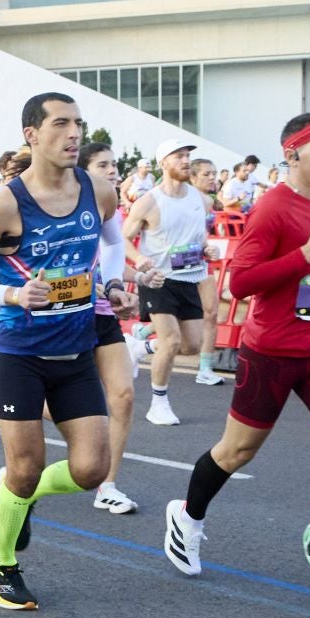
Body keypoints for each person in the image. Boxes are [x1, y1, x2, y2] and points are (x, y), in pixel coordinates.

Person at [161, 112, 310, 604]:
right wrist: (308, 254)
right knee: (236, 452)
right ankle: (187, 516)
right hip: (270, 351)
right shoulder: (272, 207)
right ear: (292, 154)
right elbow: (242, 283)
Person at [0, 93, 134, 610]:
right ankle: (0, 566)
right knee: (25, 465)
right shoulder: (7, 202)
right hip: (20, 351)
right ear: (32, 134)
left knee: (92, 468)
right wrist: (9, 293)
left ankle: (19, 496)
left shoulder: (98, 190)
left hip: (76, 348)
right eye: (60, 124)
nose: (73, 134)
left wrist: (113, 283)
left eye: (78, 124)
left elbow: (113, 242)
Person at [80, 143, 161, 514]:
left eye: (114, 165)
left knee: (123, 395)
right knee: (76, 406)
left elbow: (112, 259)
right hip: (64, 317)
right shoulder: (66, 206)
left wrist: (139, 275)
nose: (113, 171)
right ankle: (8, 407)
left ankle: (107, 485)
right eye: (103, 165)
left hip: (104, 315)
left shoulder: (110, 210)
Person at [126, 138, 218, 426]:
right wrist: (139, 259)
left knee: (192, 344)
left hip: (190, 277)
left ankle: (141, 348)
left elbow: (198, 236)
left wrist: (207, 248)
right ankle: (158, 403)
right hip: (158, 280)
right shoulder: (148, 201)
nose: (185, 160)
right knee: (171, 340)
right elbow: (123, 240)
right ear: (163, 163)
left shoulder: (202, 200)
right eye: (178, 155)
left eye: (188, 155)